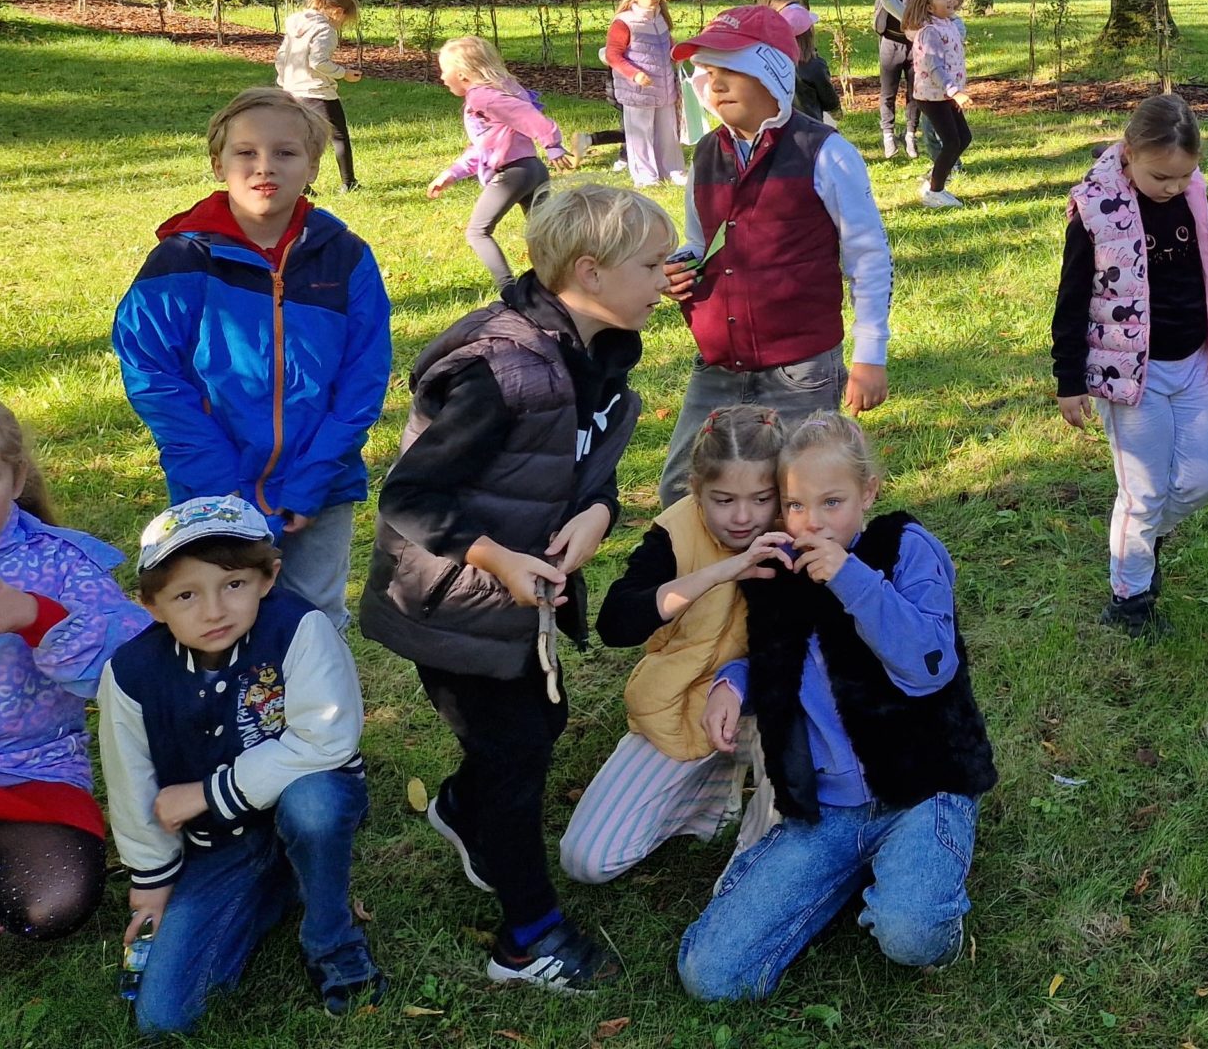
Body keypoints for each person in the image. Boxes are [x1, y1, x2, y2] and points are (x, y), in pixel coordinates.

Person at [358, 183, 673, 991]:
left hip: (518, 603)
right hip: (453, 604)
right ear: (591, 272)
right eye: (651, 265)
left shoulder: (600, 357)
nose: (666, 278)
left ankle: (463, 811)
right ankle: (526, 939)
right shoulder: (502, 371)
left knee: (541, 724)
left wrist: (599, 514)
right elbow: (410, 497)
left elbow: (582, 468)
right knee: (513, 758)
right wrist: (496, 558)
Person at [676, 414, 995, 1000]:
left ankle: (916, 881)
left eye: (832, 502)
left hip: (923, 786)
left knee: (910, 936)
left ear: (868, 492)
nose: (813, 522)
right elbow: (780, 657)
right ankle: (851, 871)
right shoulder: (781, 570)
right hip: (829, 808)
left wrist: (853, 579)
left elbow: (929, 666)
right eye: (796, 505)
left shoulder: (904, 549)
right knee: (711, 977)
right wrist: (732, 684)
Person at [113, 88, 392, 628]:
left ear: (313, 166)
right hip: (210, 486)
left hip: (319, 485)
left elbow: (364, 377)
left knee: (314, 620)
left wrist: (313, 478)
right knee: (218, 622)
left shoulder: (346, 257)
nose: (265, 166)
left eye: (285, 153)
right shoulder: (180, 259)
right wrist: (221, 489)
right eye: (246, 153)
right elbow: (151, 374)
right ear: (218, 164)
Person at [100, 496, 377, 1030]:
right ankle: (277, 882)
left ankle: (332, 942)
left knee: (314, 806)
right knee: (163, 1018)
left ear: (267, 577)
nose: (214, 611)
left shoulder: (299, 628)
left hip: (308, 799)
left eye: (233, 584)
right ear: (152, 605)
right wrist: (151, 878)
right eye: (186, 594)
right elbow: (131, 782)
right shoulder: (131, 674)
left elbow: (327, 738)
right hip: (221, 841)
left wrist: (206, 794)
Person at [0, 397, 148, 1019]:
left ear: (18, 477)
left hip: (32, 772)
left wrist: (38, 616)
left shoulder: (57, 559)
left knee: (47, 907)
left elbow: (138, 662)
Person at [657, 5, 893, 509]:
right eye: (708, 72)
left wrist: (870, 355)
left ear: (772, 73)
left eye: (731, 69)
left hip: (799, 368)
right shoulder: (706, 153)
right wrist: (678, 268)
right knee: (682, 491)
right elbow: (698, 240)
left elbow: (868, 255)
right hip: (719, 360)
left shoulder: (824, 152)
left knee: (797, 496)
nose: (716, 85)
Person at [560, 407, 791, 886]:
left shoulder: (799, 530)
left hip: (776, 703)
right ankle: (708, 791)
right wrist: (717, 573)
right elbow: (615, 625)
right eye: (723, 500)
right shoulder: (673, 535)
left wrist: (736, 685)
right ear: (697, 490)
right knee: (587, 859)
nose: (743, 517)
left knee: (797, 754)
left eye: (761, 499)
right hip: (682, 705)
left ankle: (767, 842)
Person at [1051, 94, 1208, 636]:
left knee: (1205, 478)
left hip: (1192, 363)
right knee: (1143, 492)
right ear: (1129, 153)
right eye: (1161, 177)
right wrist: (1069, 378)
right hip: (1130, 375)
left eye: (1185, 175)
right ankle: (1130, 599)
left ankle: (1142, 537)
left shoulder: (1194, 194)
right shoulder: (1095, 210)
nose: (1174, 187)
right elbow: (1071, 298)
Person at [427, 35, 574, 292]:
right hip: (533, 170)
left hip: (513, 175)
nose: (441, 77)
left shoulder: (481, 96)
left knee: (477, 232)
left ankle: (509, 290)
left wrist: (552, 143)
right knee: (543, 235)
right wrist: (453, 173)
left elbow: (527, 116)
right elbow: (485, 144)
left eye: (444, 71)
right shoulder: (500, 89)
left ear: (462, 74)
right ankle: (560, 284)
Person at [273, 0, 362, 194]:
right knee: (338, 136)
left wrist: (285, 82)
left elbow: (281, 57)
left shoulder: (296, 26)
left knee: (300, 139)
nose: (341, 25)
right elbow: (318, 62)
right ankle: (349, 182)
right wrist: (344, 73)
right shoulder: (325, 30)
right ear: (338, 12)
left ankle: (301, 186)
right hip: (318, 92)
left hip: (293, 90)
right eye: (344, 21)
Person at [605, 0, 687, 189]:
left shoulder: (659, 19)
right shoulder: (624, 22)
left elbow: (669, 47)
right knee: (640, 134)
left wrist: (682, 53)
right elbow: (613, 55)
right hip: (637, 91)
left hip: (664, 88)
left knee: (668, 132)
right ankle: (645, 177)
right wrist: (634, 74)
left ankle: (673, 170)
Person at [903, 0, 972, 209]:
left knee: (963, 138)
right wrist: (955, 92)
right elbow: (935, 68)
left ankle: (934, 179)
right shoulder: (930, 32)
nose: (949, 0)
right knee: (952, 142)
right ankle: (935, 191)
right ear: (929, 7)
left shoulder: (948, 24)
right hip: (932, 96)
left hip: (945, 94)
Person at [869, 0, 923, 162]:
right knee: (888, 91)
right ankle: (888, 135)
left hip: (914, 44)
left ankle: (910, 134)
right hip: (891, 42)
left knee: (915, 91)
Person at [754, 0, 845, 122]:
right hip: (809, 127)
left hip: (775, 126)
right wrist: (836, 111)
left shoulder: (767, 62)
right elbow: (829, 99)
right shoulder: (814, 65)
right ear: (810, 33)